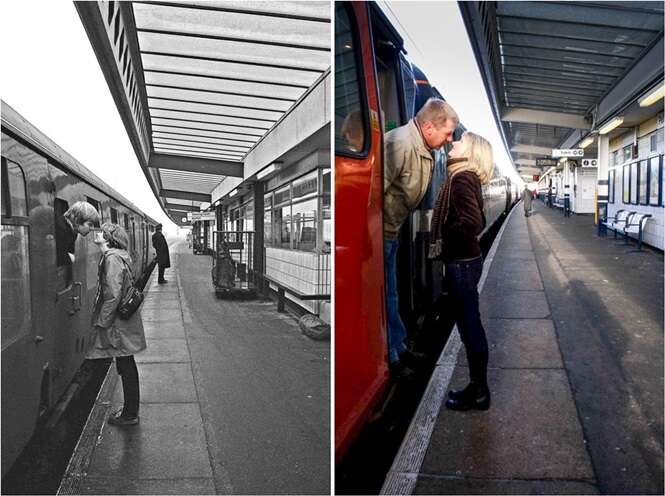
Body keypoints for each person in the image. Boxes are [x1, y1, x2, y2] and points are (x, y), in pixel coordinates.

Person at [384, 98, 459, 378]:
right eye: (447, 133)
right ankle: (392, 355)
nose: (450, 140)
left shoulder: (422, 146)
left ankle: (399, 346)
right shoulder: (400, 145)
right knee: (386, 294)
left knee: (391, 293)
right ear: (428, 127)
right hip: (382, 233)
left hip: (393, 230)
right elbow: (372, 194)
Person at [429, 131, 494, 411]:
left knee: (470, 327)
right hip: (466, 262)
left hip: (462, 264)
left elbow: (473, 222)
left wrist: (446, 233)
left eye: (459, 141)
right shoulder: (463, 176)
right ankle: (477, 388)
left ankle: (479, 392)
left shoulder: (461, 178)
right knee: (469, 325)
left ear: (470, 150)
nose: (453, 143)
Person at [88, 223, 146, 426]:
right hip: (124, 321)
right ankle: (130, 410)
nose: (98, 233)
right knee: (126, 364)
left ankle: (130, 414)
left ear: (109, 238)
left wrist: (101, 323)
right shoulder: (118, 256)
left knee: (126, 365)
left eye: (102, 231)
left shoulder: (112, 259)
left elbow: (112, 295)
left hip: (119, 323)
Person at [56, 200, 100, 266]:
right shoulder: (60, 229)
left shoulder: (74, 232)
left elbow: (70, 254)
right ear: (77, 220)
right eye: (90, 224)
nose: (91, 229)